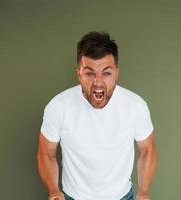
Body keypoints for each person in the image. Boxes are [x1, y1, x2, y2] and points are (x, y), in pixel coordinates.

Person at [37, 31, 157, 200]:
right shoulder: (58, 107)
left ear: (116, 73)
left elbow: (147, 150)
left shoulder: (135, 106)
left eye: (106, 73)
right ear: (79, 73)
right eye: (89, 73)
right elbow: (46, 153)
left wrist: (143, 192)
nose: (98, 82)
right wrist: (53, 190)